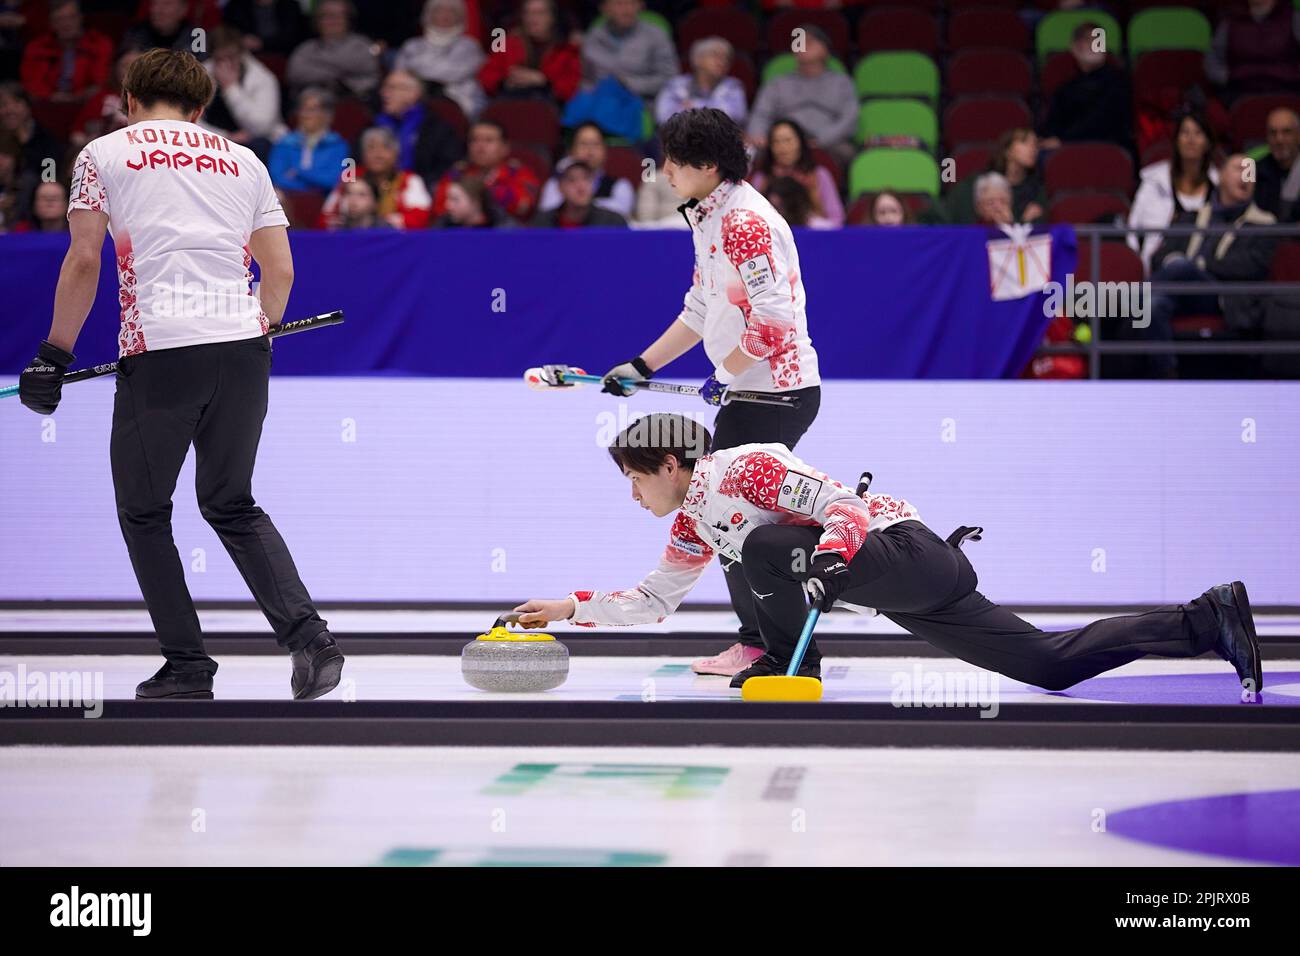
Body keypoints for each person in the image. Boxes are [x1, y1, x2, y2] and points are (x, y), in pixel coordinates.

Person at [16, 48, 343, 701]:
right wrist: (260, 331)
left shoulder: (103, 154)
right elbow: (279, 272)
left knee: (144, 510)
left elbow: (84, 260)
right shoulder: (244, 158)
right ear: (200, 108)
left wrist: (53, 354)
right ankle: (310, 641)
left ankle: (188, 664)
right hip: (244, 349)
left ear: (130, 100)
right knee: (231, 502)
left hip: (161, 347)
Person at [511, 414, 1264, 694]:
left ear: (670, 464)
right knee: (1050, 666)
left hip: (905, 551)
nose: (633, 496)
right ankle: (1209, 619)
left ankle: (787, 664)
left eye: (635, 480)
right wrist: (570, 608)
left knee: (768, 545)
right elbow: (653, 601)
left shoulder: (743, 469)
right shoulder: (690, 526)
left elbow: (845, 507)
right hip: (905, 590)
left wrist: (833, 560)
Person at [590, 108, 821, 677]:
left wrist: (731, 371)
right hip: (751, 390)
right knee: (732, 516)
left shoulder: (745, 221)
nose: (664, 170)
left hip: (775, 393)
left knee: (732, 516)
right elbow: (699, 310)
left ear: (707, 165)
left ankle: (774, 648)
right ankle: (765, 642)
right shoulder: (709, 218)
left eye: (673, 159)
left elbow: (775, 325)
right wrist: (642, 365)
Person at [1133, 153, 1278, 377]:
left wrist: (1199, 265)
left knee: (1182, 267)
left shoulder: (1264, 224)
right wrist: (1175, 266)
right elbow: (1158, 257)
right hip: (1179, 291)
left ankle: (1120, 301)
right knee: (1152, 305)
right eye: (1239, 169)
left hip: (1223, 297)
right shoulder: (1193, 217)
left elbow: (1252, 265)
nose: (1246, 177)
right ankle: (1167, 377)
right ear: (1220, 176)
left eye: (1250, 172)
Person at [1127, 108, 1219, 274]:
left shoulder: (1219, 186)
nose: (1191, 139)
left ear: (1207, 142)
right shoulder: (1154, 182)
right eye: (1185, 133)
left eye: (1198, 133)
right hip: (1158, 273)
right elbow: (1132, 231)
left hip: (1206, 274)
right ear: (1176, 140)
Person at [746, 24, 856, 162]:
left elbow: (849, 119)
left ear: (825, 50)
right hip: (783, 139)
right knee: (754, 152)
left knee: (846, 153)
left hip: (827, 142)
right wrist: (758, 134)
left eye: (810, 41)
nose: (802, 45)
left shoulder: (841, 83)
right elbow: (760, 114)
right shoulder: (778, 83)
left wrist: (820, 140)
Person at [1039, 22, 1133, 155]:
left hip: (1109, 146)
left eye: (1100, 41)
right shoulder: (1066, 88)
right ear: (1075, 47)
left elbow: (1103, 120)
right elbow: (1052, 123)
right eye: (1089, 40)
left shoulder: (1118, 81)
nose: (1097, 46)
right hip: (1067, 148)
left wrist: (1064, 140)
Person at [320, 126, 433, 229]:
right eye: (371, 148)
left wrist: (385, 223)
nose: (378, 154)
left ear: (396, 153)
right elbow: (326, 216)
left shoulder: (410, 180)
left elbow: (421, 219)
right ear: (362, 153)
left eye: (385, 148)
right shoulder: (351, 176)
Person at [431, 118, 540, 223]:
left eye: (489, 140)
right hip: (460, 234)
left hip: (506, 236)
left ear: (505, 147)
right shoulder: (457, 174)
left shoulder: (518, 173)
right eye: (474, 140)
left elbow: (523, 208)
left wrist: (483, 192)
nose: (480, 146)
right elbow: (440, 208)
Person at [394, 0, 486, 120]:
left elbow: (455, 73)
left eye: (451, 11)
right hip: (415, 96)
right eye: (439, 11)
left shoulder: (469, 46)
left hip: (461, 101)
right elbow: (399, 75)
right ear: (428, 15)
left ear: (460, 16)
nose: (445, 15)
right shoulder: (412, 45)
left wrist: (419, 69)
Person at [202, 25, 285, 158]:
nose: (226, 64)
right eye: (220, 59)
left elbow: (261, 127)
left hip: (255, 142)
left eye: (231, 57)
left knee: (259, 146)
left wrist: (231, 88)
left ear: (242, 54)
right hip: (215, 141)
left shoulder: (263, 78)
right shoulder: (201, 76)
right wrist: (225, 136)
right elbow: (189, 119)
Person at [478, 0, 580, 104]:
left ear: (552, 18)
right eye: (527, 13)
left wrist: (543, 81)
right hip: (509, 102)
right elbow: (486, 77)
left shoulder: (566, 50)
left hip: (548, 109)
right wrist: (505, 82)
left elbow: (570, 89)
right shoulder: (505, 42)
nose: (532, 19)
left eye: (540, 13)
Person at [374, 68, 463, 188]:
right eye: (384, 87)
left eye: (392, 88)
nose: (384, 93)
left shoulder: (436, 129)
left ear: (413, 93)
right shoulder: (374, 125)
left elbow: (445, 169)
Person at [748, 118, 843, 228]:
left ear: (801, 143)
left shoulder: (819, 175)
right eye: (776, 142)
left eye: (788, 140)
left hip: (812, 237)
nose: (782, 148)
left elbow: (837, 220)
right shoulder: (762, 178)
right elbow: (751, 218)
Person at [945, 128, 1045, 226]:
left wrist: (1017, 223)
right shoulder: (977, 183)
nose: (1033, 148)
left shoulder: (1036, 191)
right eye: (1024, 142)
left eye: (1035, 144)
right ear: (1007, 150)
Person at [1204, 0, 1300, 102]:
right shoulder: (1230, 22)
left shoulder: (1293, 18)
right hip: (1239, 94)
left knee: (1281, 117)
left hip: (1286, 92)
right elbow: (1212, 61)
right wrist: (1227, 77)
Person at [580, 0, 677, 100]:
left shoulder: (655, 35)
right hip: (599, 102)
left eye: (633, 3)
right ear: (605, 8)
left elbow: (670, 78)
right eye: (620, 4)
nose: (627, 10)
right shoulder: (593, 38)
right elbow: (586, 81)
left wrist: (630, 84)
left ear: (641, 6)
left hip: (644, 102)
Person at [285, 0, 380, 100]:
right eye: (326, 16)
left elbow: (369, 67)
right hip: (315, 105)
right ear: (317, 21)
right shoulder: (306, 48)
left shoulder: (362, 45)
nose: (332, 20)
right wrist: (339, 78)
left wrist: (321, 67)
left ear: (348, 19)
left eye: (339, 15)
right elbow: (295, 73)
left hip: (355, 101)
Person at [19, 0, 113, 101]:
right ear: (51, 23)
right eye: (59, 20)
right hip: (48, 104)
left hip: (88, 102)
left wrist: (78, 97)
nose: (66, 24)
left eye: (71, 18)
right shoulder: (37, 47)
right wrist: (51, 95)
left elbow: (101, 81)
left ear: (80, 18)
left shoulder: (99, 43)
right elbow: (31, 83)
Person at [537, 121, 634, 217]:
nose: (590, 152)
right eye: (583, 144)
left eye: (596, 144)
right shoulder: (555, 184)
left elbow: (618, 218)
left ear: (605, 151)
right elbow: (547, 216)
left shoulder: (620, 186)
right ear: (571, 150)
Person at [268, 86, 350, 194]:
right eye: (302, 109)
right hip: (288, 200)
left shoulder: (338, 145)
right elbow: (277, 178)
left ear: (327, 115)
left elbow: (334, 181)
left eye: (311, 110)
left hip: (324, 201)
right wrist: (311, 186)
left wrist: (298, 172)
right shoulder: (284, 143)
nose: (305, 115)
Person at [655, 36, 747, 126]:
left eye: (727, 58)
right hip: (681, 139)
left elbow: (736, 115)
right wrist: (713, 110)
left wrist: (693, 106)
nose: (722, 62)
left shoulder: (733, 86)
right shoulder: (675, 85)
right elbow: (663, 117)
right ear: (697, 59)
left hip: (720, 139)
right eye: (715, 55)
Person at [531, 158, 628, 227]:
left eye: (586, 178)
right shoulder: (543, 223)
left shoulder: (612, 223)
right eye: (572, 180)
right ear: (560, 187)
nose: (581, 187)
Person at [1255, 107, 1299, 223]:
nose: (1279, 140)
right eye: (1273, 133)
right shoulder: (1254, 170)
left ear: (1298, 135)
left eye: (1286, 132)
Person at [221, 0, 305, 56]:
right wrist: (241, 39)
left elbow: (293, 38)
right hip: (246, 56)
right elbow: (228, 32)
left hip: (284, 57)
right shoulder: (237, 5)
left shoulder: (290, 6)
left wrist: (262, 43)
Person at [431, 174, 511, 228]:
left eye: (455, 199)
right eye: (448, 199)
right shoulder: (442, 228)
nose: (447, 205)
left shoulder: (504, 229)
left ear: (476, 201)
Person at [122, 0, 199, 55]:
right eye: (155, 4)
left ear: (183, 9)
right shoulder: (135, 35)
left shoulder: (197, 37)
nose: (158, 10)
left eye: (166, 4)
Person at [329, 177, 393, 230]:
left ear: (375, 203)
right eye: (349, 193)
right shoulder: (337, 230)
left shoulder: (386, 231)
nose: (353, 200)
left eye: (361, 195)